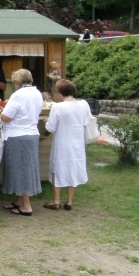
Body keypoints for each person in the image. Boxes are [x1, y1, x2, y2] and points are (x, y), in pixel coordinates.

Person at [0, 69, 43, 216]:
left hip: (17, 135)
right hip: (32, 134)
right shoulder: (37, 93)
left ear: (17, 82)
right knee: (25, 167)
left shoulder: (18, 95)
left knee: (20, 170)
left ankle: (26, 206)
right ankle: (19, 200)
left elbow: (6, 117)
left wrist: (2, 111)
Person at [44, 79, 91, 211]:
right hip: (77, 142)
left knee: (57, 169)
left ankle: (56, 200)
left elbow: (51, 128)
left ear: (60, 93)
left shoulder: (58, 107)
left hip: (62, 142)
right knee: (73, 168)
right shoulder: (83, 105)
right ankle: (69, 201)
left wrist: (46, 121)